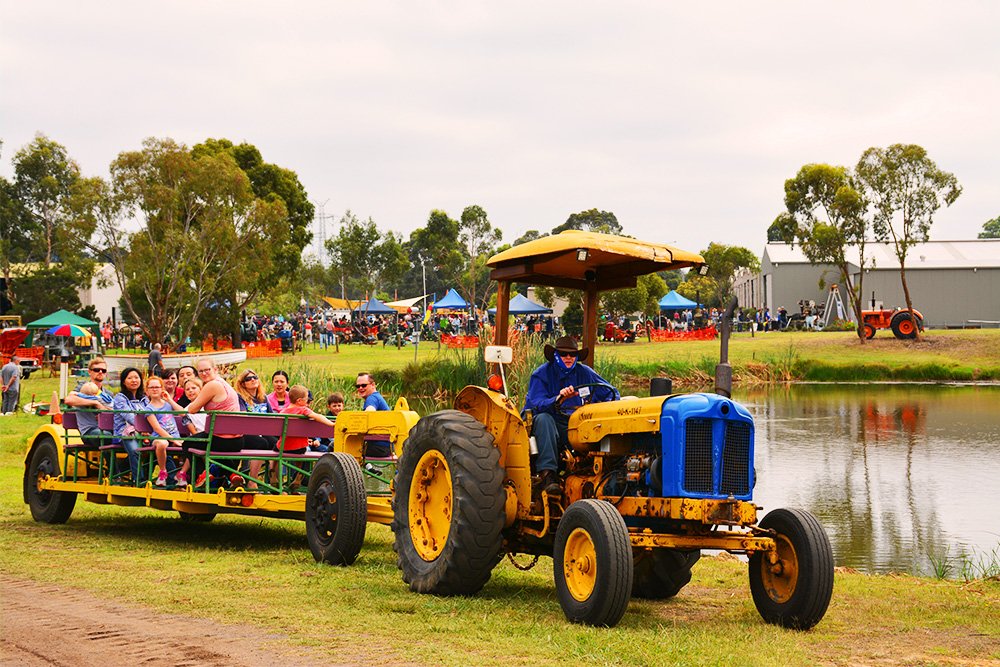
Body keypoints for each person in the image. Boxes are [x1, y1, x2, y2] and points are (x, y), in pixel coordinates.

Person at [523, 336, 618, 495]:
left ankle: (607, 472)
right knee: (543, 419)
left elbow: (612, 392)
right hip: (553, 422)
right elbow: (535, 404)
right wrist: (558, 399)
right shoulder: (541, 374)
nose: (568, 358)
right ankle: (548, 475)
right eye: (563, 354)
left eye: (572, 355)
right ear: (556, 356)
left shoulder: (585, 373)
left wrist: (600, 407)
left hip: (579, 423)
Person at [174, 358, 244, 488]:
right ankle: (232, 474)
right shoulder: (224, 383)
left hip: (219, 439)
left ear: (215, 369)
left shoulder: (212, 385)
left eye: (207, 370)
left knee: (188, 444)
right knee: (203, 444)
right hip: (237, 440)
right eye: (201, 371)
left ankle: (204, 473)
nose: (204, 373)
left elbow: (192, 409)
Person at [64, 357, 114, 446]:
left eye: (103, 370)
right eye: (96, 370)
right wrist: (95, 403)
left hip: (107, 428)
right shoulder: (82, 389)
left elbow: (113, 410)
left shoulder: (108, 394)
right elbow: (69, 400)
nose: (100, 372)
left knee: (125, 436)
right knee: (106, 436)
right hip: (90, 430)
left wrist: (105, 413)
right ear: (89, 372)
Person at [143, 375, 183, 487]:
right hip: (159, 437)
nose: (155, 389)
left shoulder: (168, 404)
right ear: (147, 391)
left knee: (190, 445)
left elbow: (182, 413)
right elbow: (157, 428)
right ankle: (163, 472)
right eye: (151, 387)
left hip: (174, 436)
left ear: (162, 389)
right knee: (162, 443)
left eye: (157, 387)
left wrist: (169, 399)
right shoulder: (149, 409)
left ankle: (182, 475)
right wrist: (173, 440)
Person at [276, 385, 335, 454]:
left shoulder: (283, 412)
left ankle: (273, 465)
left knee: (276, 447)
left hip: (283, 447)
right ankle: (298, 465)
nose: (307, 401)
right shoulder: (303, 410)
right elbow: (317, 416)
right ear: (299, 401)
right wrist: (332, 424)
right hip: (299, 448)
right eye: (306, 399)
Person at [112, 367, 146, 483]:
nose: (134, 380)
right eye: (130, 378)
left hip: (144, 432)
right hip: (125, 432)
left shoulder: (144, 398)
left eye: (136, 377)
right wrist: (144, 428)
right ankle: (139, 481)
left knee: (159, 448)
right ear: (123, 381)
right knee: (135, 450)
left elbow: (151, 414)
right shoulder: (120, 398)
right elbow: (129, 416)